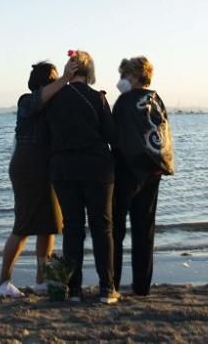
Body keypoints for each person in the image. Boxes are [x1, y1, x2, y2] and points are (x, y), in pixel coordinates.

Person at [0, 60, 76, 298]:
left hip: (46, 169)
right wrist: (65, 79)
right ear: (42, 81)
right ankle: (3, 282)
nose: (57, 79)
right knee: (23, 225)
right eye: (53, 77)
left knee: (49, 225)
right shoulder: (26, 101)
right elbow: (41, 99)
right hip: (28, 168)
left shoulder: (55, 104)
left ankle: (42, 281)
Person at [44, 50, 119, 304]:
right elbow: (112, 136)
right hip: (97, 169)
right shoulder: (98, 99)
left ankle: (73, 289)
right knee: (102, 227)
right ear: (90, 72)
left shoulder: (54, 99)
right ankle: (106, 289)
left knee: (72, 229)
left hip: (63, 169)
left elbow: (47, 135)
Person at [111, 56, 175, 296]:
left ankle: (112, 283)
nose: (121, 80)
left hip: (125, 171)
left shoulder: (125, 101)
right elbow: (163, 134)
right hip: (152, 171)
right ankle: (142, 286)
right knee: (144, 230)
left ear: (136, 76)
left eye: (124, 76)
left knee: (116, 229)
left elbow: (115, 135)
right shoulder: (156, 100)